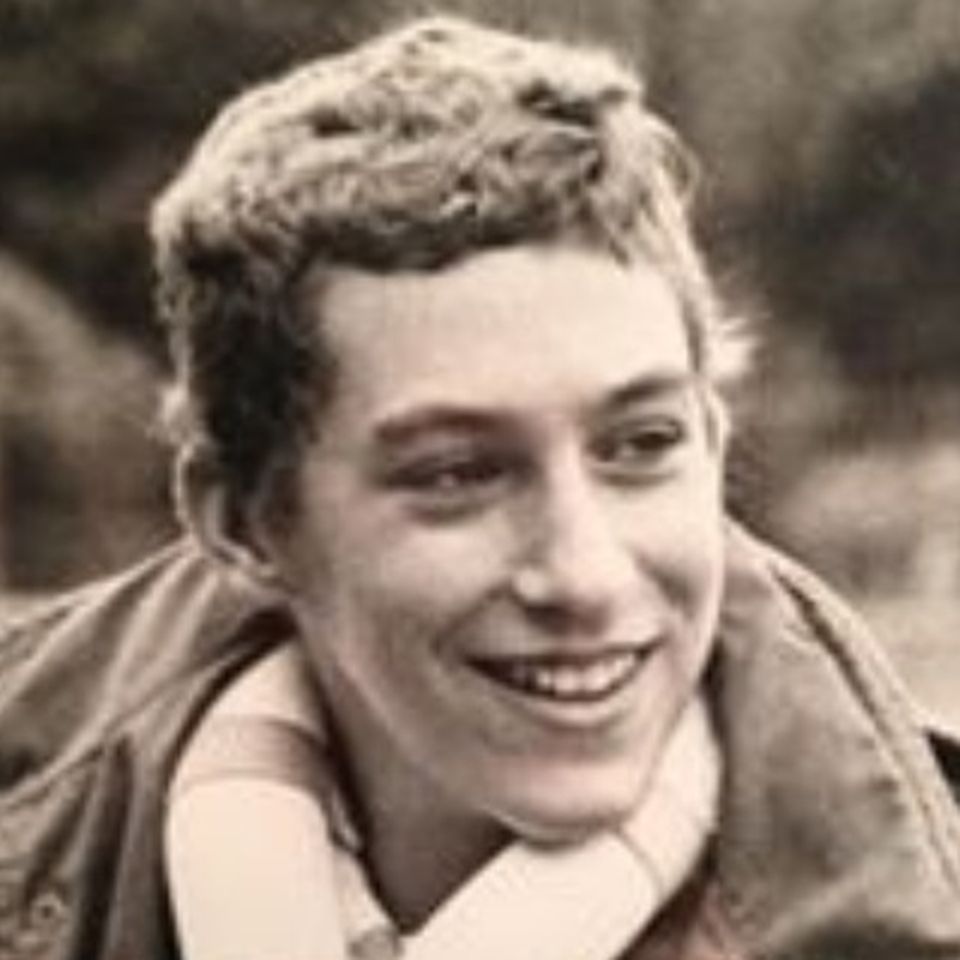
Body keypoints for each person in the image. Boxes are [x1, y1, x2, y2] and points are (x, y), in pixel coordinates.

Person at [0, 14, 958, 959]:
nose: (585, 576)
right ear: (243, 522)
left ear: (713, 437)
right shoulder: (48, 834)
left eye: (642, 443)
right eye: (456, 473)